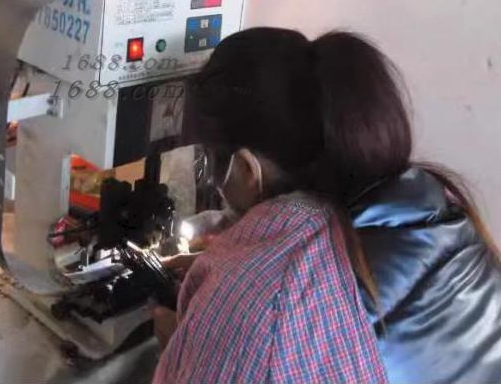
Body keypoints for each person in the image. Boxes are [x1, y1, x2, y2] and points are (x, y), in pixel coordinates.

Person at [153, 28, 501, 384]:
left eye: (209, 163)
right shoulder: (439, 210)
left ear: (246, 169)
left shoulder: (259, 302)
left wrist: (182, 348)